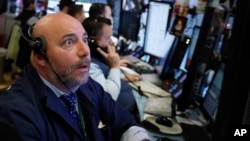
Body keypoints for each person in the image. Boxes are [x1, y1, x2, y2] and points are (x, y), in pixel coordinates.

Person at [0, 13, 151, 141]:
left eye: (84, 40)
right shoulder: (14, 115)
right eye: (69, 42)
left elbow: (124, 121)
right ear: (40, 56)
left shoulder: (85, 84)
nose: (85, 51)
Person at [82, 16, 142, 116]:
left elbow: (103, 78)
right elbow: (108, 96)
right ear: (92, 41)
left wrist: (121, 76)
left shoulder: (96, 60)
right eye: (108, 37)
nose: (112, 42)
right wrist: (115, 66)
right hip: (119, 120)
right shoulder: (90, 66)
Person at [15, 0, 38, 70]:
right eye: (34, 3)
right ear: (30, 4)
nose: (35, 5)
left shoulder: (23, 14)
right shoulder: (31, 17)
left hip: (20, 41)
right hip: (25, 41)